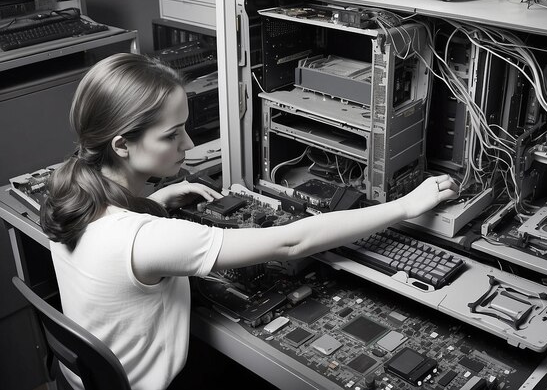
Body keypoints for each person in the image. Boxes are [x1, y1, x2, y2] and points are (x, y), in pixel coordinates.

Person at [40, 53, 458, 390]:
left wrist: (154, 199)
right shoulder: (146, 239)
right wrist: (405, 206)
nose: (189, 143)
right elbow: (290, 243)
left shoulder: (68, 196)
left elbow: (117, 243)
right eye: (172, 134)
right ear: (122, 145)